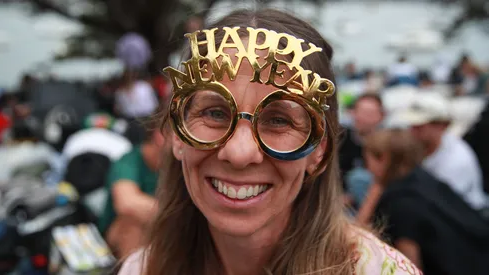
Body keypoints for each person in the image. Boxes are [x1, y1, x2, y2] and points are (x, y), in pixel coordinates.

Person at [118, 9, 420, 275]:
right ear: (176, 134)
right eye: (214, 113)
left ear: (320, 150)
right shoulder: (143, 269)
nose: (239, 152)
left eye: (278, 120)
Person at [360, 129, 489, 275]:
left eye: (367, 160)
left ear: (383, 158)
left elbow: (410, 266)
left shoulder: (400, 205)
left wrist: (375, 189)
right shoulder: (422, 178)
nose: (366, 168)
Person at [399, 92, 488, 211]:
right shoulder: (419, 146)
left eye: (419, 126)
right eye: (412, 125)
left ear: (442, 125)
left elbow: (443, 207)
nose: (413, 131)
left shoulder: (457, 160)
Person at [98, 119, 165, 259]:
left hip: (161, 231)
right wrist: (177, 215)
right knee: (132, 224)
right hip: (118, 237)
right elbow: (127, 203)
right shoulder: (130, 160)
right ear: (160, 135)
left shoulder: (180, 167)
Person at [339, 94, 384, 208]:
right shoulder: (339, 138)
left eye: (371, 114)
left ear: (381, 116)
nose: (366, 119)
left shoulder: (387, 144)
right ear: (353, 113)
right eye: (362, 112)